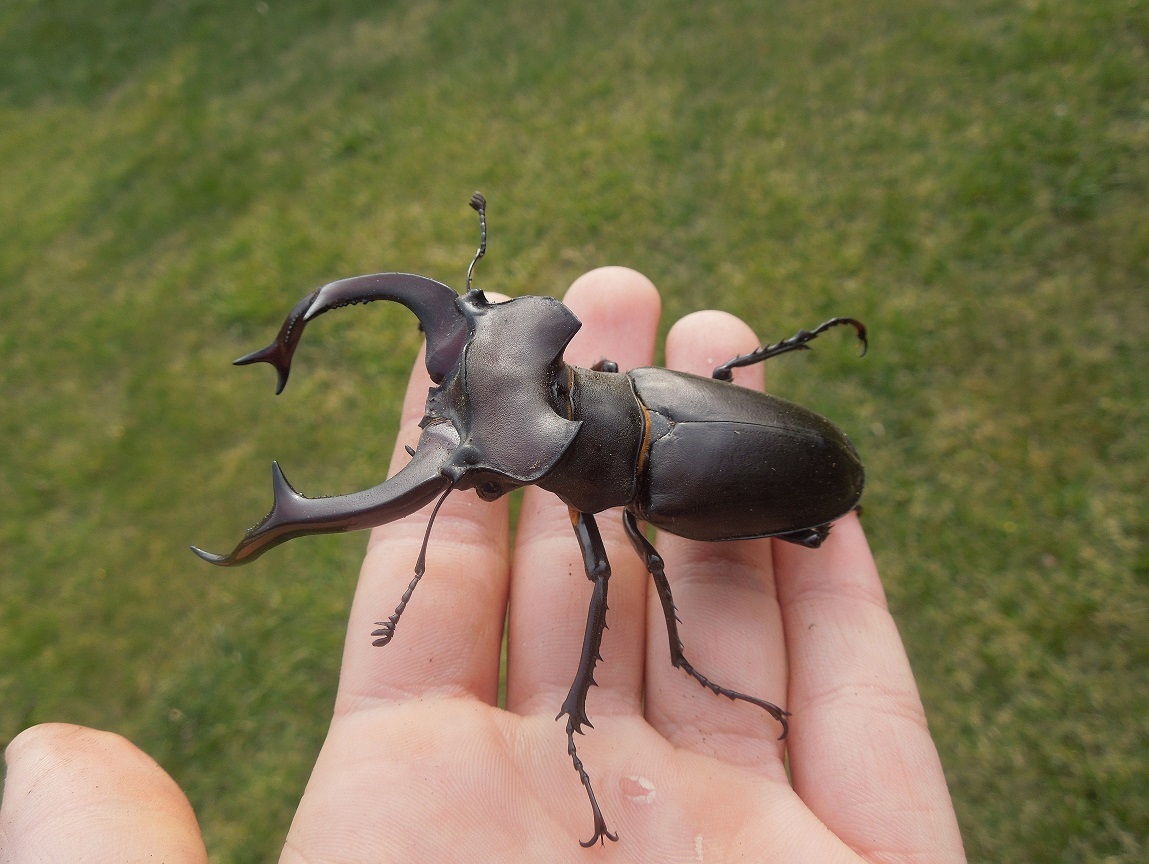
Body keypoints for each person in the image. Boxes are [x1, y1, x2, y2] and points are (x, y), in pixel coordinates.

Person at [0, 268, 967, 862]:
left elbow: (621, 575)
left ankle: (583, 721)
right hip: (701, 427)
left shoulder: (649, 491)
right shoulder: (636, 402)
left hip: (775, 480)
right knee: (650, 526)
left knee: (626, 570)